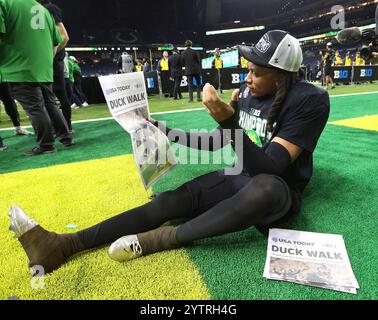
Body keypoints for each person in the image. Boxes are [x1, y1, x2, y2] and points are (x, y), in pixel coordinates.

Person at [8, 30, 330, 275]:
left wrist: (230, 120)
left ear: (282, 76)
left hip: (275, 193)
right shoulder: (248, 92)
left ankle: (162, 239)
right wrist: (163, 129)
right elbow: (217, 142)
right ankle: (62, 245)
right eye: (248, 69)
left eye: (256, 72)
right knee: (169, 202)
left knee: (265, 187)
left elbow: (271, 168)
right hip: (240, 178)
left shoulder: (310, 99)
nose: (247, 77)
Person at [0, 0, 73, 156]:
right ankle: (65, 136)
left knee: (35, 107)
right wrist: (47, 60)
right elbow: (57, 40)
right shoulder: (42, 9)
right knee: (49, 102)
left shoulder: (5, 3)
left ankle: (46, 145)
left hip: (18, 66)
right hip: (43, 66)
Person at [38, 0, 72, 131]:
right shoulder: (43, 9)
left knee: (57, 93)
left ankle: (66, 126)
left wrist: (49, 55)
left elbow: (64, 37)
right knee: (49, 95)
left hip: (53, 59)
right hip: (52, 59)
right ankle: (59, 126)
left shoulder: (49, 8)